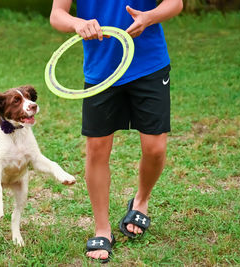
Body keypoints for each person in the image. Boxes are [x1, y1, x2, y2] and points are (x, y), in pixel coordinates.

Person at [50, 0, 183, 263]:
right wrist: (78, 23)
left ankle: (141, 201)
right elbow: (57, 14)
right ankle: (102, 229)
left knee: (155, 149)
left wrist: (150, 16)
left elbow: (175, 3)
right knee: (97, 149)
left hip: (149, 64)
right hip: (101, 70)